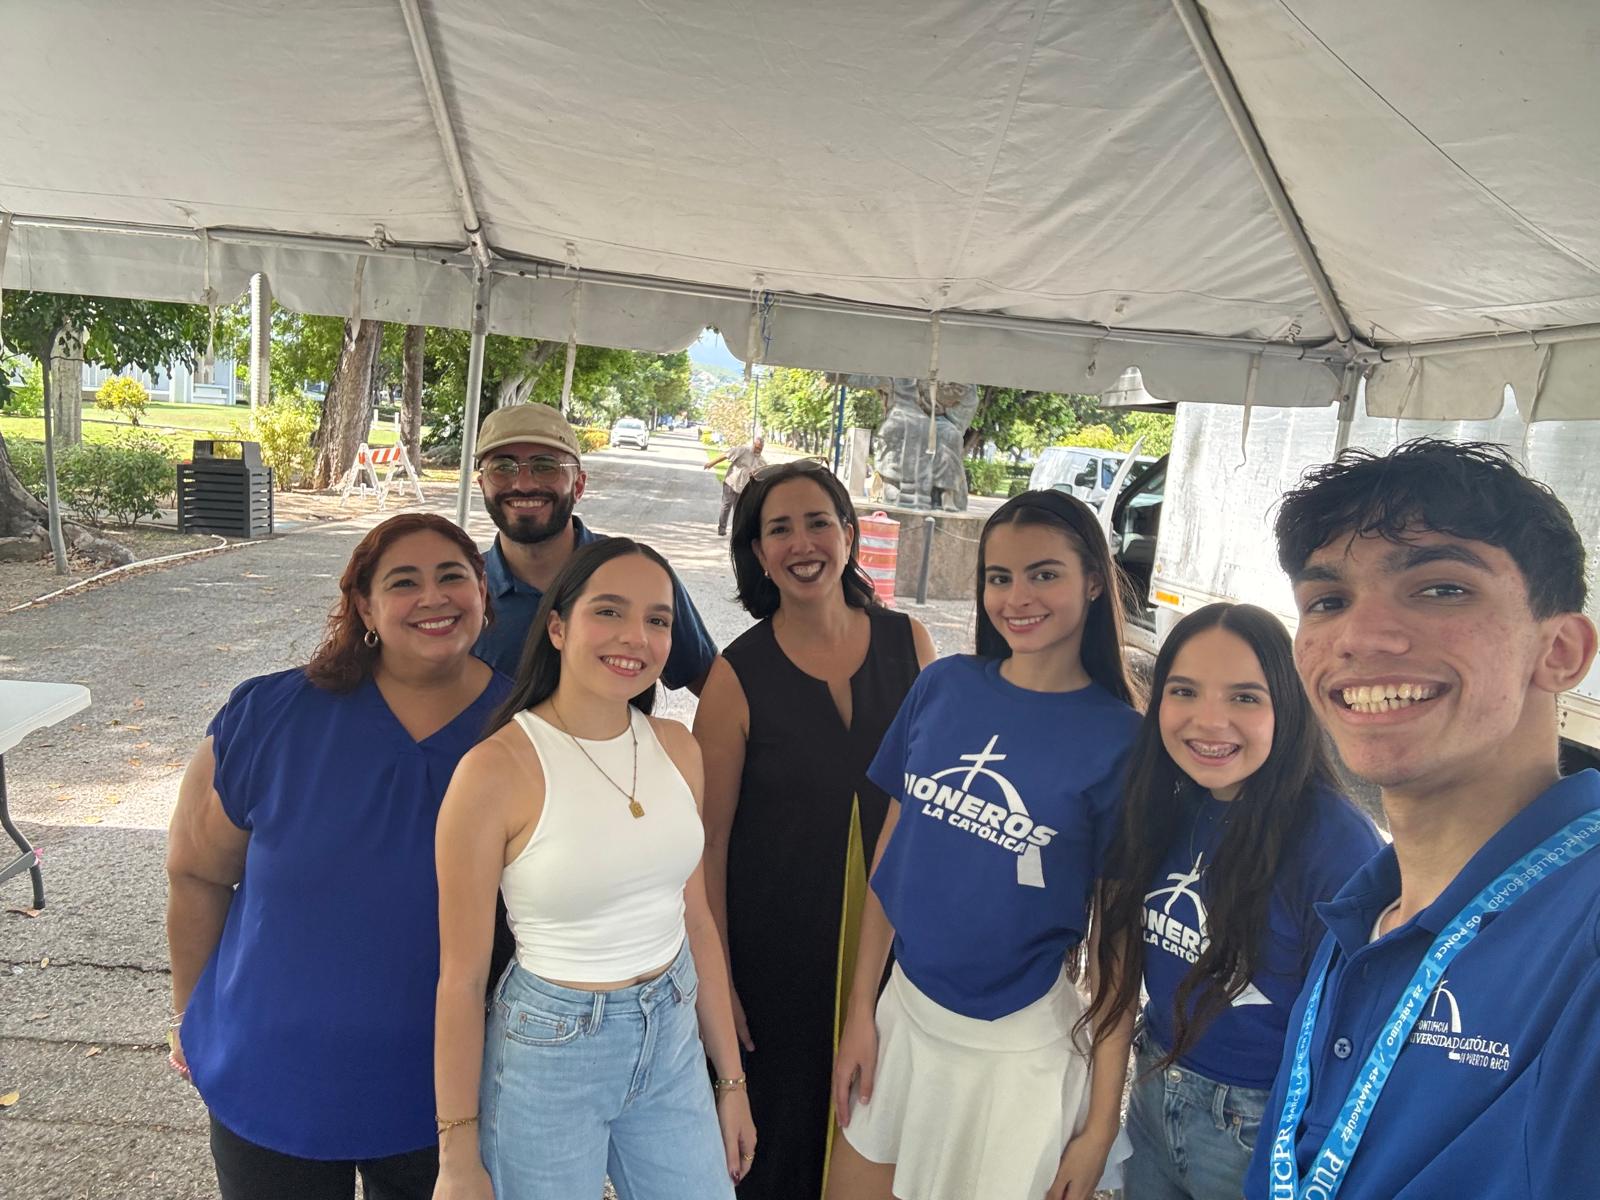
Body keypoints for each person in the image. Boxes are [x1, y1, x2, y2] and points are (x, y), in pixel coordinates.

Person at [1243, 440, 1600, 1200]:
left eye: (1441, 589)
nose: (1359, 637)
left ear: (1561, 651)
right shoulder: (1366, 912)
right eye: (1327, 601)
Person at [165, 513, 510, 1200]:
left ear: (482, 592)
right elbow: (197, 872)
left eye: (452, 577)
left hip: (453, 1090)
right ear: (364, 606)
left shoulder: (526, 730)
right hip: (272, 1074)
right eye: (403, 582)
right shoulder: (271, 715)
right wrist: (189, 1016)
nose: (433, 597)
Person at [827, 490, 1143, 1200]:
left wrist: (1099, 1127)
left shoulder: (1123, 741)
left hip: (1016, 1053)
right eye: (999, 577)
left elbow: (1118, 951)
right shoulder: (943, 686)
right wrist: (860, 1014)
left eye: (1044, 574)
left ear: (1095, 581)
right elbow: (891, 862)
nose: (1016, 597)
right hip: (903, 1016)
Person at [433, 537, 756, 1200]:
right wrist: (457, 1156)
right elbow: (461, 980)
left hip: (671, 1033)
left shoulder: (678, 747)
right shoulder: (493, 771)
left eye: (658, 619)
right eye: (609, 611)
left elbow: (695, 920)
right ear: (558, 627)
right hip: (549, 1050)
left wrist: (731, 1083)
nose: (636, 636)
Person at [694, 460, 937, 1200]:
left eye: (818, 522)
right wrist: (720, 983)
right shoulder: (735, 675)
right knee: (780, 1148)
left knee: (880, 1140)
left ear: (850, 534)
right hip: (774, 963)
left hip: (896, 952)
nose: (802, 543)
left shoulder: (911, 644)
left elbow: (932, 806)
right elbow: (707, 846)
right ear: (758, 553)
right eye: (779, 529)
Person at [1083, 603, 1381, 1200]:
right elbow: (1115, 974)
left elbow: (1358, 1035)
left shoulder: (1336, 843)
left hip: (1261, 1128)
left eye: (1245, 697)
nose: (1209, 721)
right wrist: (1098, 1125)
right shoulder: (1159, 804)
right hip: (1153, 1091)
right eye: (1184, 691)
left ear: (1287, 707)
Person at [471, 402, 716, 690]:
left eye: (545, 466)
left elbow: (712, 686)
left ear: (578, 485)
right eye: (502, 468)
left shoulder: (637, 572)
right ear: (482, 485)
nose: (523, 484)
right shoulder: (461, 591)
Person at [703, 432, 766, 536]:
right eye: (757, 447)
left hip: (744, 488)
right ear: (753, 444)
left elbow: (764, 475)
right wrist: (711, 463)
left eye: (760, 449)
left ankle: (736, 531)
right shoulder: (743, 450)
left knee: (738, 510)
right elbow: (726, 455)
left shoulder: (761, 461)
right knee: (726, 505)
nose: (758, 450)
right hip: (731, 482)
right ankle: (722, 528)